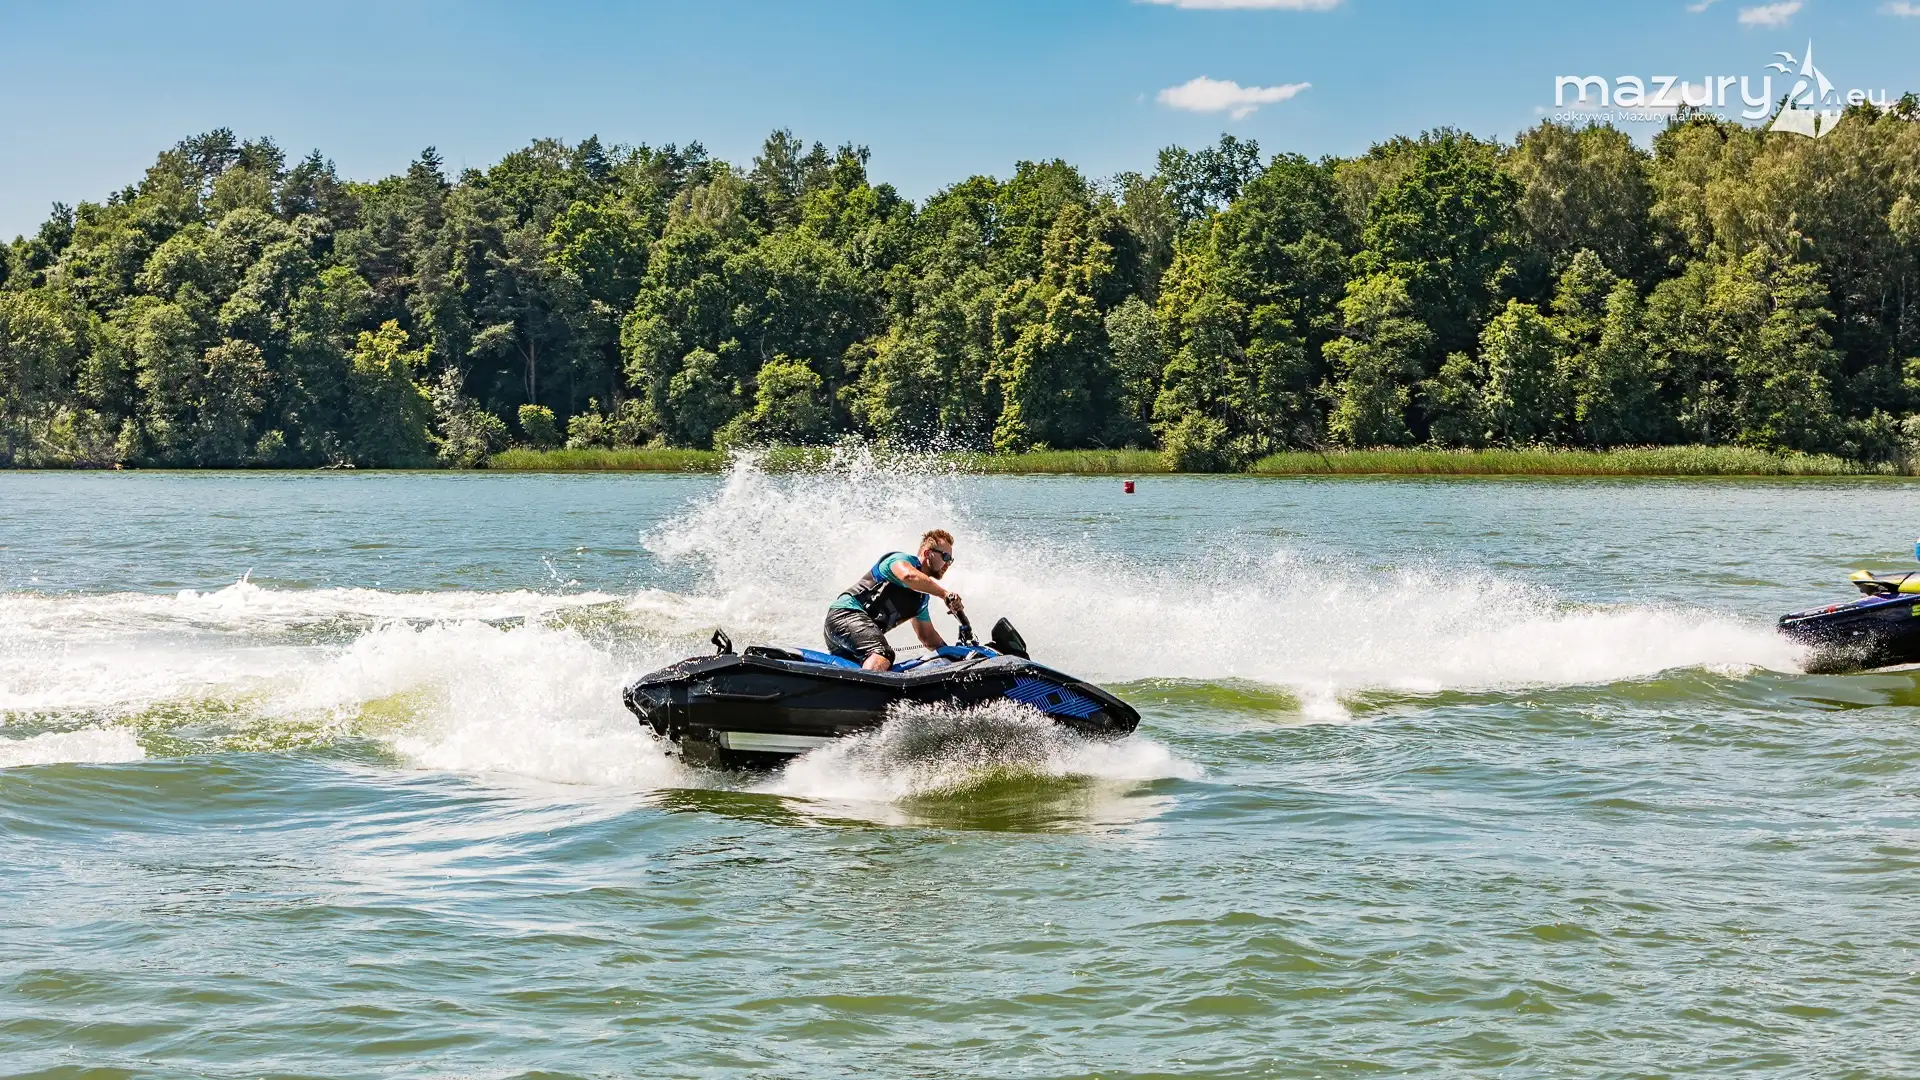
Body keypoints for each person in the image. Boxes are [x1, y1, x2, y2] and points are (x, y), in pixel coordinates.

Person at [824, 529, 967, 671]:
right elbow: (908, 576)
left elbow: (928, 637)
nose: (948, 564)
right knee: (882, 654)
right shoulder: (899, 560)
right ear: (927, 553)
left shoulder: (922, 598)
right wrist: (944, 594)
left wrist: (956, 656)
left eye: (951, 560)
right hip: (845, 615)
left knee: (867, 666)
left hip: (849, 634)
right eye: (946, 557)